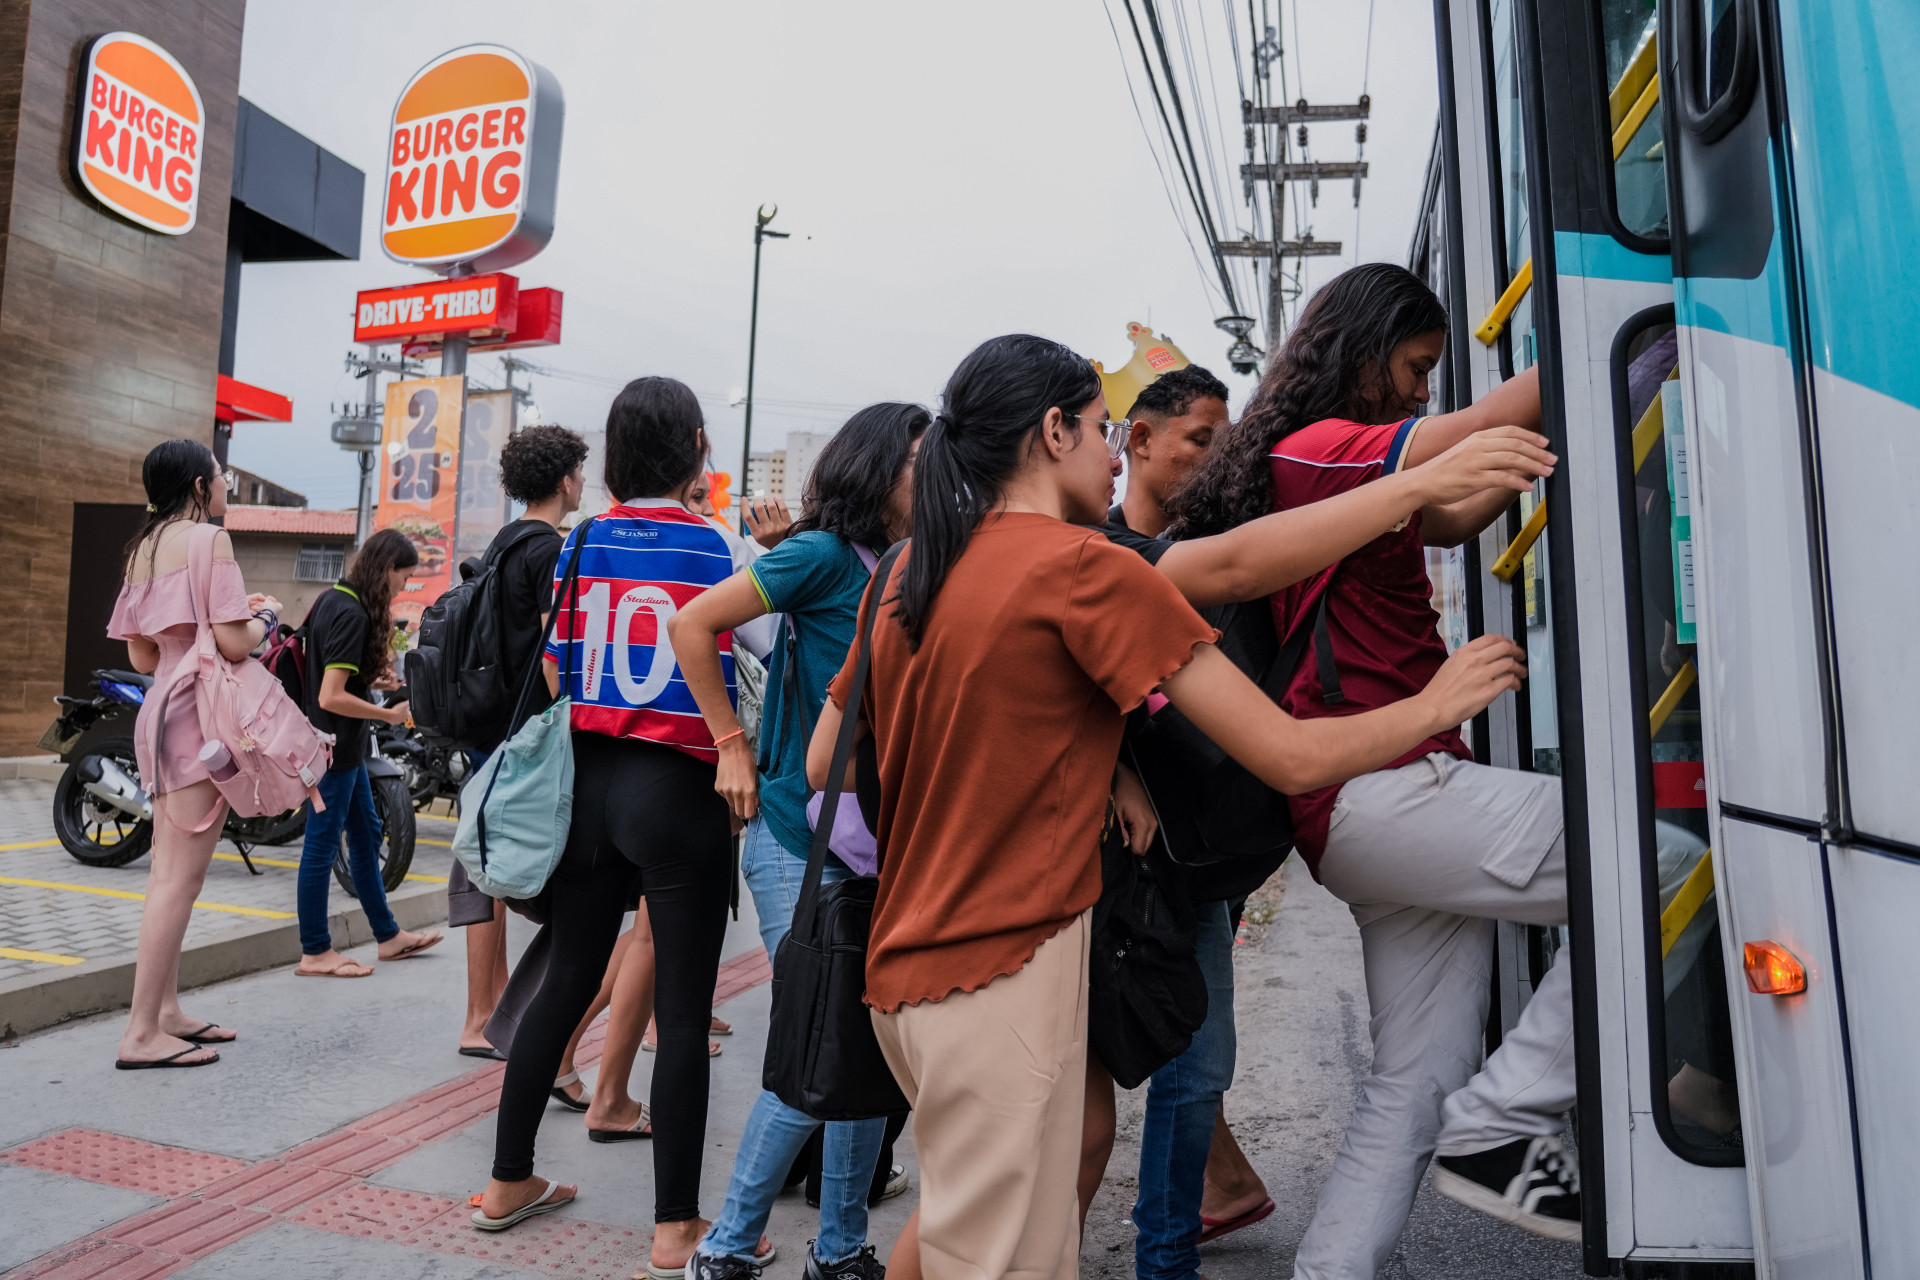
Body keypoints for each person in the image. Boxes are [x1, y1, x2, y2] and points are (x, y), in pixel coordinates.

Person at [806, 334, 1527, 1280]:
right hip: (1003, 977)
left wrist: (1056, 751)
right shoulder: (1079, 569)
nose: (1113, 454)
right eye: (1103, 430)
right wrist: (1434, 707)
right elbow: (1289, 749)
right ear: (1051, 431)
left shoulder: (908, 570)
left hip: (905, 975)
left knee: (952, 1231)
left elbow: (826, 760)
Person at [1085, 365, 1555, 1280]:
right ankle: (1163, 1260)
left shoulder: (1227, 520)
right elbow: (1283, 741)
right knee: (1127, 1085)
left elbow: (1441, 518)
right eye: (1197, 438)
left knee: (1205, 1067)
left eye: (1225, 437)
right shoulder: (1115, 555)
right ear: (1134, 439)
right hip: (1148, 853)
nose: (1217, 455)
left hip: (1212, 843)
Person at [475, 377, 767, 1279]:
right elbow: (758, 645)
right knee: (681, 1013)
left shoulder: (584, 540)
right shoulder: (712, 542)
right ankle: (675, 1229)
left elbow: (561, 667)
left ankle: (506, 1183)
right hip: (677, 787)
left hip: (587, 787)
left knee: (566, 982)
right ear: (691, 442)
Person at [669, 402, 929, 1280]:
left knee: (861, 1049)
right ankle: (728, 1247)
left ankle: (842, 1246)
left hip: (881, 845)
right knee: (822, 1039)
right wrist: (729, 748)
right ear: (876, 468)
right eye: (920, 461)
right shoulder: (820, 556)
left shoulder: (917, 566)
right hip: (798, 839)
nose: (937, 478)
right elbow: (692, 623)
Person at [107, 441, 281, 1067]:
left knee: (167, 872)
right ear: (200, 486)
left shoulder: (142, 549)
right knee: (180, 879)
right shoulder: (211, 541)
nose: (226, 486)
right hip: (200, 716)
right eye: (223, 477)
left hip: (161, 711)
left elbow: (141, 656)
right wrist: (266, 619)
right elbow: (236, 643)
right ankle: (140, 1034)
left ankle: (166, 1012)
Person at [449, 425, 588, 1059]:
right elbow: (556, 652)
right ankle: (500, 1018)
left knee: (486, 866)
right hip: (527, 731)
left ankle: (484, 1010)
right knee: (523, 870)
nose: (583, 483)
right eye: (580, 473)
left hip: (488, 723)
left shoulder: (505, 542)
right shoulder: (549, 550)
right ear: (564, 480)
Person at [294, 529, 442, 978]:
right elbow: (330, 695)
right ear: (386, 570)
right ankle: (315, 951)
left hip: (343, 748)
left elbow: (325, 668)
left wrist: (369, 684)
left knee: (365, 836)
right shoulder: (353, 613)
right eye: (404, 577)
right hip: (334, 748)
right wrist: (388, 716)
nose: (404, 587)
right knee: (321, 847)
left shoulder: (331, 598)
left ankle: (389, 936)